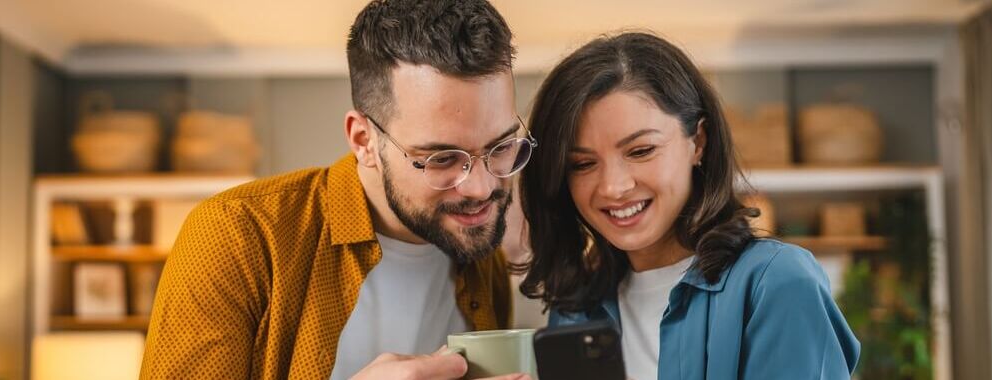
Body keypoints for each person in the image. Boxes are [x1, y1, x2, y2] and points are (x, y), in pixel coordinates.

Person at [139, 1, 534, 379]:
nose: (481, 188)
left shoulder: (479, 248)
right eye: (441, 159)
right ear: (363, 140)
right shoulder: (235, 236)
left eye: (500, 147)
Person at [517, 32, 860, 380]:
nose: (613, 187)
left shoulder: (778, 283)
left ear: (698, 142)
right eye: (582, 164)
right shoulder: (577, 309)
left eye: (640, 151)